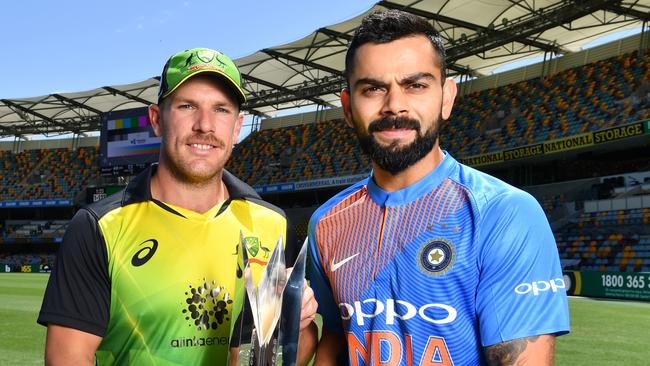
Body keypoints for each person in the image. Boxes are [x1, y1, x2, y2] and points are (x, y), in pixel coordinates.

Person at [307, 10, 570, 366]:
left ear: (446, 97)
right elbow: (336, 340)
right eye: (372, 88)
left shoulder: (504, 212)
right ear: (348, 107)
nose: (394, 105)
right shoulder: (326, 222)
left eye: (415, 85)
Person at [38, 47, 318, 365]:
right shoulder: (98, 226)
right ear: (157, 120)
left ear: (238, 127)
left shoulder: (272, 224)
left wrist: (297, 317)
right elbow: (67, 357)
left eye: (221, 110)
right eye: (187, 106)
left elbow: (294, 348)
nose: (205, 125)